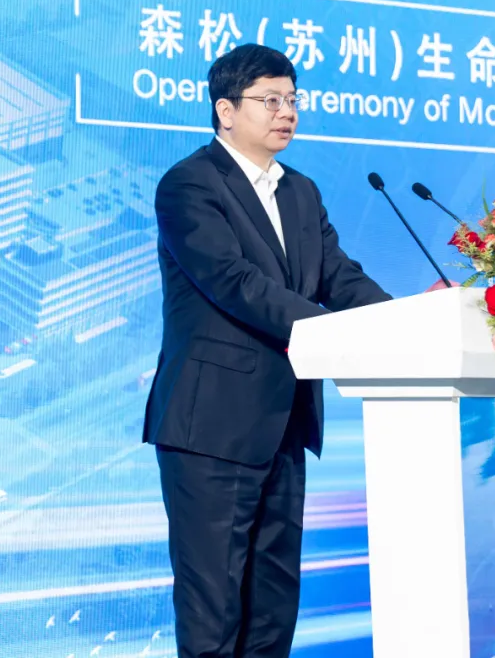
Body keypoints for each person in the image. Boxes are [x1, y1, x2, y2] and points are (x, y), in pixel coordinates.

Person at [143, 43, 392, 658]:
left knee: (273, 606)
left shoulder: (299, 191)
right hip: (212, 425)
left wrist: (399, 319)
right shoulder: (190, 185)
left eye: (292, 99)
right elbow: (236, 283)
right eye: (271, 100)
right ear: (226, 110)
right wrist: (333, 333)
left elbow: (338, 276)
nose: (287, 112)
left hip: (283, 422)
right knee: (214, 607)